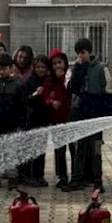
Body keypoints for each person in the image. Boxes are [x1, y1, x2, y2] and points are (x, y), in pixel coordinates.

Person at [64, 38, 112, 193]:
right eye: (78, 53)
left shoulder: (100, 69)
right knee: (80, 148)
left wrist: (103, 113)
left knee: (96, 149)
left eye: (83, 52)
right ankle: (77, 179)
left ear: (90, 52)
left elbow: (108, 91)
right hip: (80, 114)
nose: (81, 56)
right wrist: (78, 69)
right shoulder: (75, 69)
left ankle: (97, 181)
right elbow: (72, 87)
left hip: (95, 114)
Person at [0, 53, 24, 191]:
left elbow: (21, 108)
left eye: (4, 68)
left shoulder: (17, 86)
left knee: (11, 152)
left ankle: (13, 178)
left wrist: (20, 125)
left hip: (12, 125)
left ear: (11, 68)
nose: (1, 72)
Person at [19, 55, 52, 187]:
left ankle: (40, 175)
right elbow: (24, 101)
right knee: (30, 149)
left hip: (43, 120)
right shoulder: (28, 82)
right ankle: (28, 176)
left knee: (41, 149)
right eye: (38, 67)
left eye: (43, 67)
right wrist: (35, 95)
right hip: (30, 120)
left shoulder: (49, 82)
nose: (40, 69)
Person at [44, 49, 71, 189]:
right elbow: (46, 95)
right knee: (59, 149)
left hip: (70, 118)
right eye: (54, 63)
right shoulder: (49, 80)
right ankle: (61, 176)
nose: (57, 66)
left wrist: (63, 79)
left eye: (60, 62)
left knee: (73, 149)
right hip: (56, 120)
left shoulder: (68, 76)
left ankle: (78, 176)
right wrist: (50, 102)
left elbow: (70, 92)